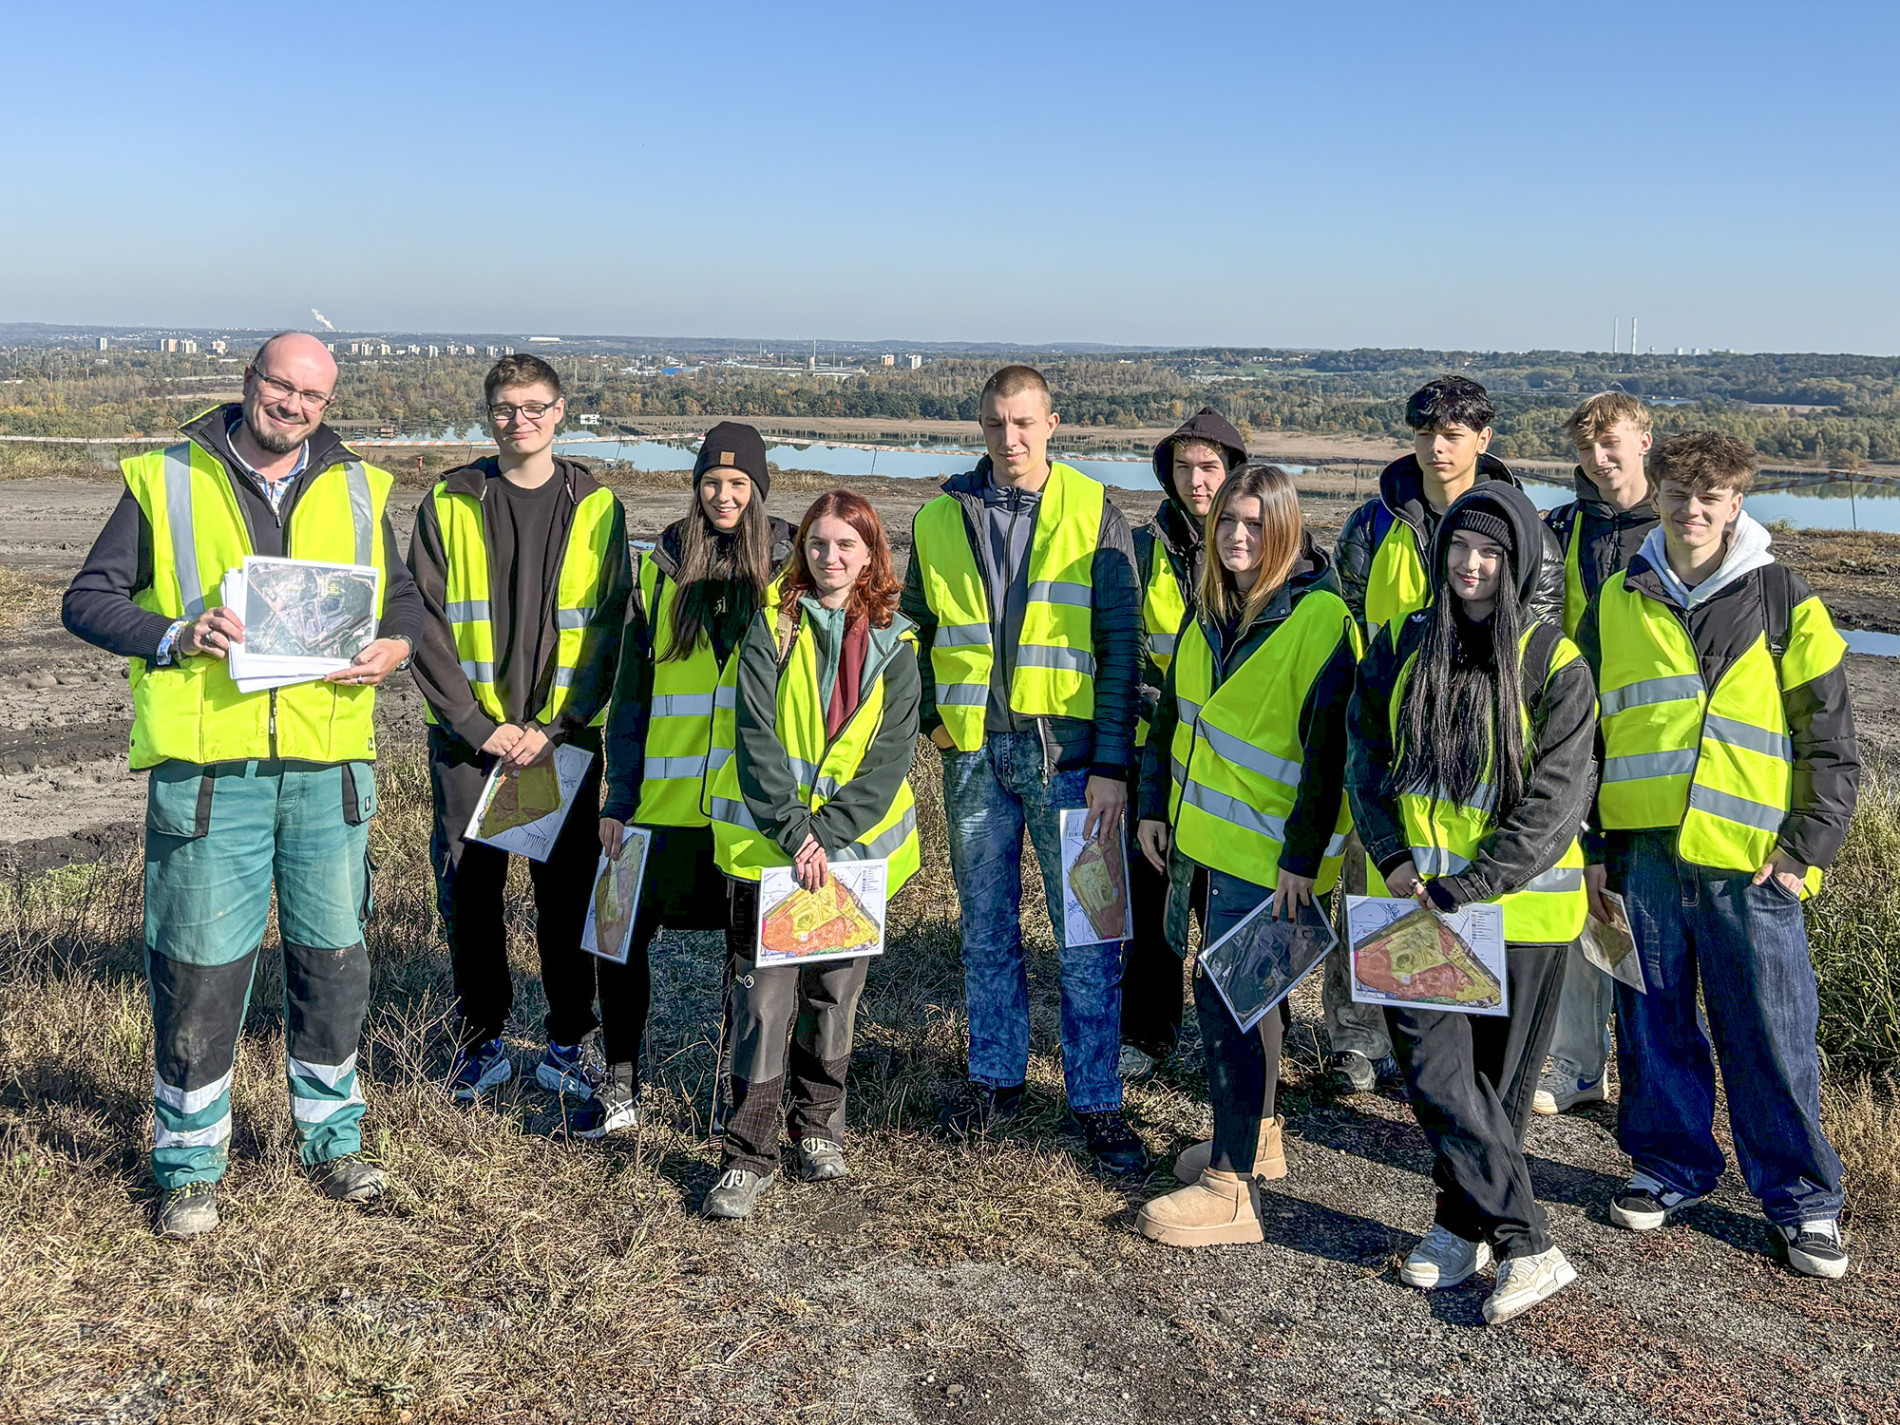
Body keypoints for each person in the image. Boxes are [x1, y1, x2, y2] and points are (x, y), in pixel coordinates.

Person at [61, 333, 423, 1236]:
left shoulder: (359, 487)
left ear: (327, 405)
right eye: (280, 385)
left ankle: (332, 1142)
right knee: (200, 972)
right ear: (250, 381)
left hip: (328, 772)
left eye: (312, 395)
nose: (293, 405)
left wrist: (397, 643)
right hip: (211, 774)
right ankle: (190, 1165)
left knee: (333, 963)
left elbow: (404, 598)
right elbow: (88, 599)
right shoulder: (167, 477)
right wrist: (175, 633)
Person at [1580, 431, 1859, 1279]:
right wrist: (1592, 846)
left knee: (1772, 1033)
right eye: (1677, 494)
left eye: (1710, 497)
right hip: (1642, 858)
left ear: (1737, 502)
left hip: (1752, 864)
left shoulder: (1784, 600)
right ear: (1657, 495)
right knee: (1651, 1021)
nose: (1691, 510)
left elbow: (1831, 743)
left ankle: (1804, 1201)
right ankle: (1669, 1167)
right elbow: (1584, 736)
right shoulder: (1619, 597)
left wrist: (1803, 851)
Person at [1346, 482, 1595, 1325]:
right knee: (1436, 1075)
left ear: (1517, 562)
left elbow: (1557, 800)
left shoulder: (1554, 661)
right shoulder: (1403, 642)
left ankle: (1460, 1228)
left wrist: (1477, 882)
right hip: (1421, 905)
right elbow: (1365, 755)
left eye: (1489, 551)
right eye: (1458, 545)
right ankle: (1529, 1242)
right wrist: (1390, 854)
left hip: (1522, 914)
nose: (1471, 563)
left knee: (1495, 1092)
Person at [899, 365, 1147, 1174]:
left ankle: (1097, 1099)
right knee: (986, 928)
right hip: (975, 755)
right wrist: (937, 724)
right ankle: (995, 1076)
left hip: (1071, 761)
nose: (1010, 438)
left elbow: (1121, 646)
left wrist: (1111, 761)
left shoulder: (1093, 509)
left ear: (1052, 424)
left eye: (1024, 422)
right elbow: (914, 629)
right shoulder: (939, 516)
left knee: (1091, 932)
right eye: (996, 423)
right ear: (981, 426)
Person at [1131, 465, 1359, 1246]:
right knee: (1244, 999)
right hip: (1208, 843)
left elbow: (1330, 756)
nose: (1236, 535)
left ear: (1286, 529)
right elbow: (1175, 718)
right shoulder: (1213, 607)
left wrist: (1302, 858)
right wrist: (1156, 805)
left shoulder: (1322, 619)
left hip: (1275, 860)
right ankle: (1257, 1138)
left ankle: (1230, 1190)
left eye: (1256, 524)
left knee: (1228, 1003)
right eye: (1228, 520)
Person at [1327, 375, 1567, 1095]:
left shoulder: (1526, 532)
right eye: (1426, 432)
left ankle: (1458, 1053)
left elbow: (1537, 643)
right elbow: (1349, 624)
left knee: (1468, 897)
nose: (1437, 447)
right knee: (1369, 887)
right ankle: (1359, 1040)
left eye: (1453, 434)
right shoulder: (1372, 527)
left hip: (1482, 753)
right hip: (1391, 742)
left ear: (1483, 439)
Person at [408, 354, 632, 1112]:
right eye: (506, 407)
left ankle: (568, 1042)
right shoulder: (449, 501)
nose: (520, 420)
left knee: (563, 897)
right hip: (471, 743)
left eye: (535, 406)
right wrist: (480, 726)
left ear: (560, 411)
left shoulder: (595, 506)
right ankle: (481, 1043)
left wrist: (555, 728)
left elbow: (608, 629)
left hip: (555, 744)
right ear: (489, 414)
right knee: (471, 892)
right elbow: (423, 622)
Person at [700, 491, 922, 1218]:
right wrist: (797, 833)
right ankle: (748, 1154)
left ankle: (819, 1127)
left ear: (871, 555)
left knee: (834, 997)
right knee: (763, 1004)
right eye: (819, 544)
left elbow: (889, 760)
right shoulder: (771, 628)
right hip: (771, 851)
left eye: (846, 545)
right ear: (803, 550)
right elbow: (755, 738)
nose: (831, 557)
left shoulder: (898, 646)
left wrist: (828, 835)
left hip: (850, 857)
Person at [597, 422, 797, 1137]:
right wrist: (619, 796)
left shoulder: (790, 571)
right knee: (614, 934)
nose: (724, 495)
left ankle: (736, 1098)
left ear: (759, 489)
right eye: (712, 481)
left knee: (750, 965)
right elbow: (631, 694)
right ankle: (620, 1082)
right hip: (661, 802)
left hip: (750, 811)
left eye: (739, 483)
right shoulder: (660, 568)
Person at [1533, 392, 1660, 1118]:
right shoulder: (1560, 527)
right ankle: (1580, 1063)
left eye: (1611, 443)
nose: (1599, 458)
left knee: (1646, 917)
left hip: (1652, 746)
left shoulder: (1675, 527)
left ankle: (1650, 1080)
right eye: (1587, 448)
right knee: (1582, 895)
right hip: (1574, 738)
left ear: (1644, 440)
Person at [1120, 408, 1245, 1084]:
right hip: (1159, 754)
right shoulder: (1145, 549)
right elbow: (1128, 649)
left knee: (1231, 909)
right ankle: (1147, 1030)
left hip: (1238, 768)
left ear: (1234, 470)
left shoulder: (1262, 546)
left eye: (1210, 467)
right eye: (1183, 467)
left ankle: (1249, 1044)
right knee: (1153, 901)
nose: (1196, 481)